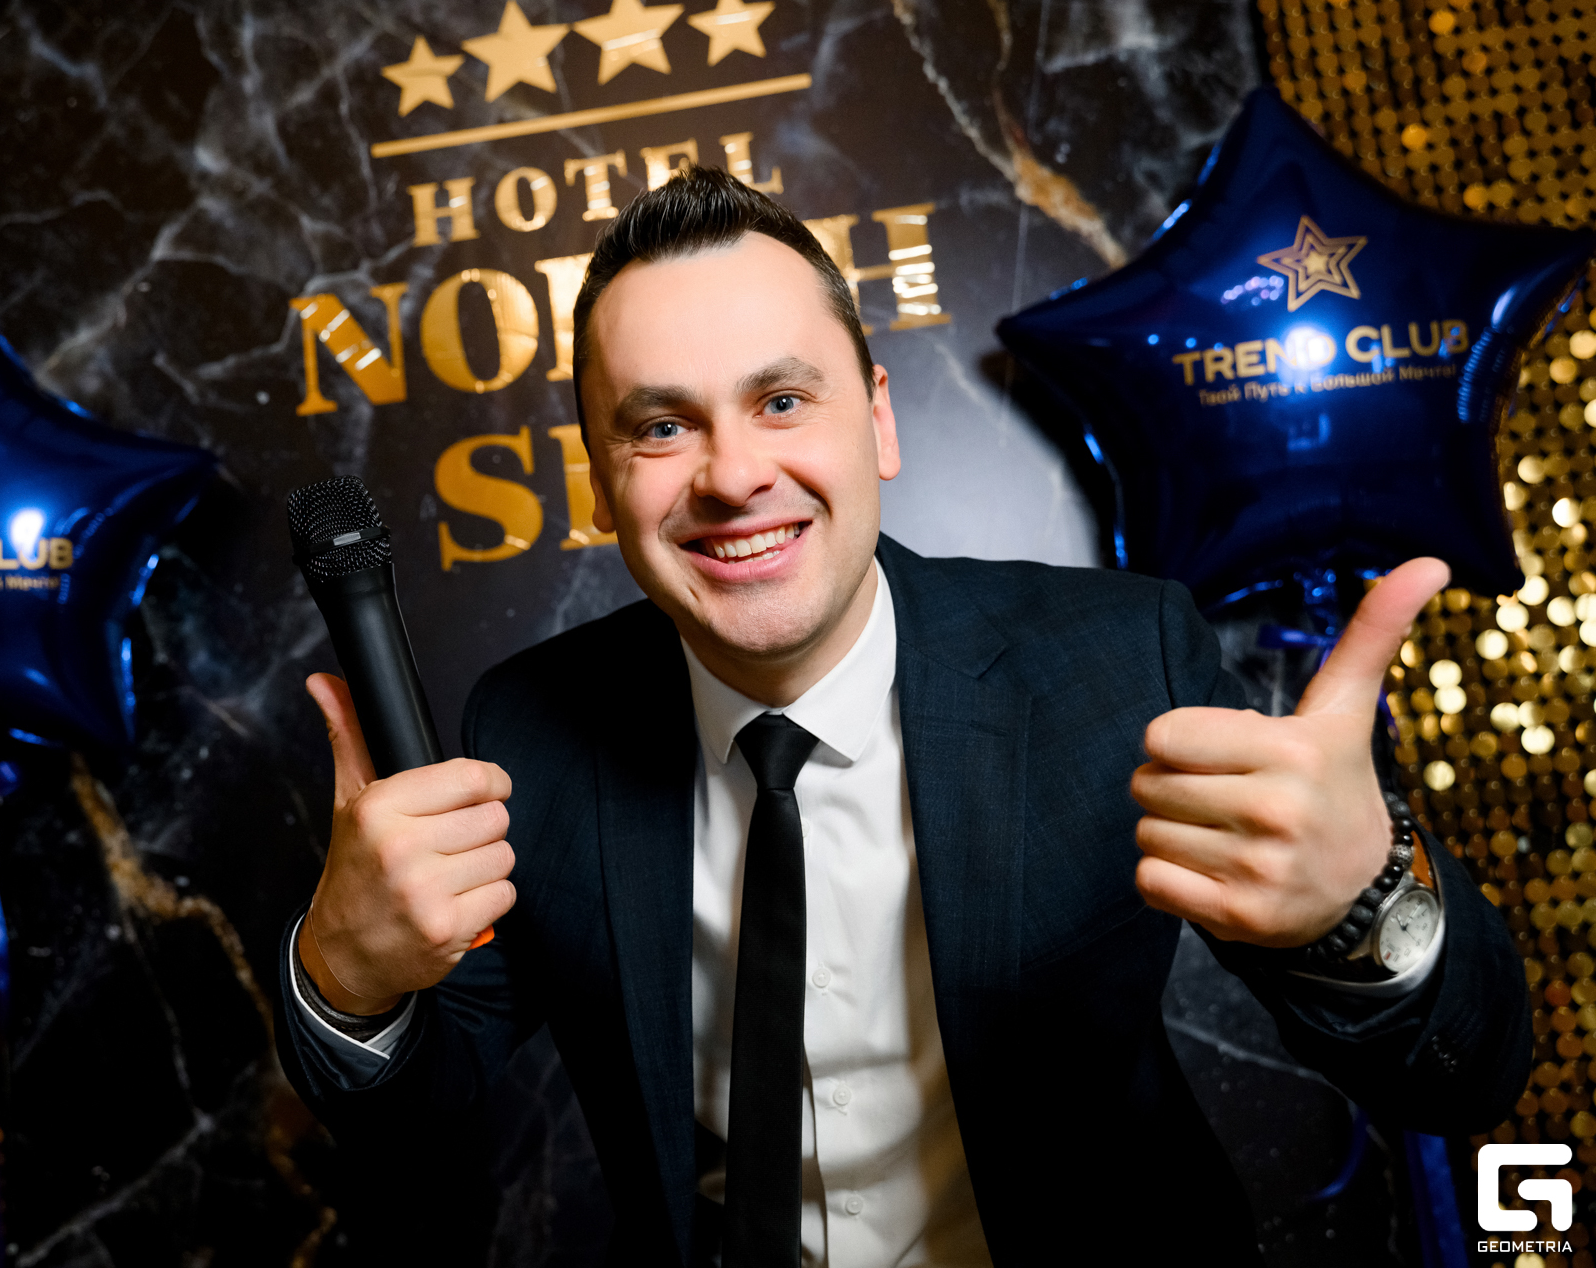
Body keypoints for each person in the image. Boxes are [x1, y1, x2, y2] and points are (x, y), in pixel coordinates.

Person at [272, 166, 1527, 1267]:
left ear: (876, 418)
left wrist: (1366, 904)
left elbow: (1465, 1074)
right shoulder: (531, 727)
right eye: (660, 425)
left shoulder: (1118, 662)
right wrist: (344, 978)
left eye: (781, 400)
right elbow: (418, 1127)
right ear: (600, 478)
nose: (733, 474)